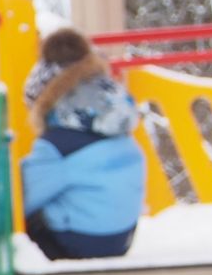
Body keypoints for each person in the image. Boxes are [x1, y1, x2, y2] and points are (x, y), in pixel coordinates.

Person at [19, 27, 146, 260]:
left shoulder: (59, 144)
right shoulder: (115, 126)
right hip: (121, 237)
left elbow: (23, 195)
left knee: (24, 223)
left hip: (81, 242)